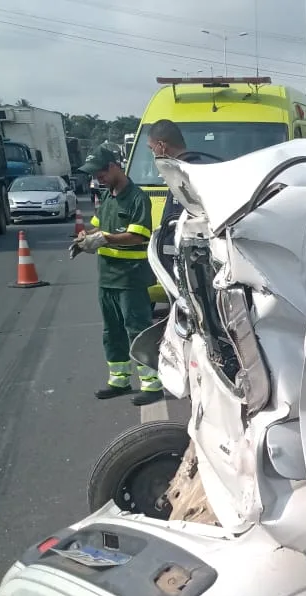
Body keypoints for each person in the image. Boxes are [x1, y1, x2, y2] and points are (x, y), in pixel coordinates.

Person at [73, 144, 163, 406]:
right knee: (112, 331)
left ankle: (151, 384)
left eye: (100, 173)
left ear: (113, 167)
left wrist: (104, 238)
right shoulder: (109, 197)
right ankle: (120, 380)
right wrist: (83, 239)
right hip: (108, 278)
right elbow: (96, 228)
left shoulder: (137, 198)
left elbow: (138, 235)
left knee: (137, 329)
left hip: (131, 279)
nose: (97, 178)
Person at [146, 119, 218, 271]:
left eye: (152, 149)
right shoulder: (188, 171)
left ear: (162, 146)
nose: (154, 154)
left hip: (192, 267)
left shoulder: (186, 175)